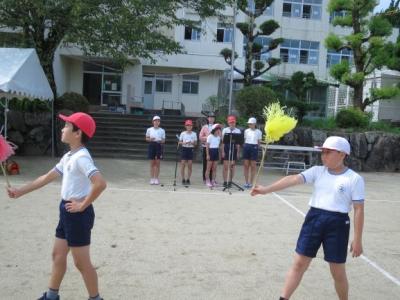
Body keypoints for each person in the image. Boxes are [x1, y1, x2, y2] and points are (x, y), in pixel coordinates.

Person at [7, 112, 107, 300]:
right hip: (67, 211)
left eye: (67, 126)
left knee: (81, 263)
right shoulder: (69, 156)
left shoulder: (81, 158)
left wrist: (83, 205)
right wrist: (20, 191)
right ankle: (51, 296)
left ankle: (96, 298)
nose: (63, 128)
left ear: (78, 133)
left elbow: (100, 183)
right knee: (58, 255)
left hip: (77, 214)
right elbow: (47, 177)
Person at [251, 136, 365, 300]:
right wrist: (266, 190)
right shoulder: (318, 171)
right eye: (322, 152)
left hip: (338, 224)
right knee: (299, 263)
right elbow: (293, 179)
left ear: (342, 154)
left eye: (328, 152)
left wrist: (358, 239)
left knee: (337, 271)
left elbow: (359, 209)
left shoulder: (354, 179)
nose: (323, 155)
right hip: (314, 219)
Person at [222, 115, 241, 188]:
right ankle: (225, 181)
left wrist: (238, 152)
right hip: (226, 147)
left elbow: (238, 144)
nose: (232, 124)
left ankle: (230, 181)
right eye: (230, 122)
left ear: (235, 122)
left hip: (234, 148)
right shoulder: (225, 130)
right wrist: (223, 151)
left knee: (232, 166)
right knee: (225, 166)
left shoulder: (238, 131)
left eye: (233, 122)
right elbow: (223, 142)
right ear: (228, 123)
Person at [243, 117, 262, 189]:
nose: (249, 125)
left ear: (254, 124)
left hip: (254, 147)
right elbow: (245, 140)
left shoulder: (259, 132)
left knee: (253, 166)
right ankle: (246, 182)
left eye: (251, 124)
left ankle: (251, 183)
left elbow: (259, 142)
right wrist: (245, 146)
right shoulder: (246, 131)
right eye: (249, 124)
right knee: (246, 165)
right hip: (247, 146)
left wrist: (257, 148)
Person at [146, 115, 166, 185]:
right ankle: (152, 178)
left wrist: (159, 140)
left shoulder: (162, 130)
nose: (156, 122)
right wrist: (150, 139)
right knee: (152, 163)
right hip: (151, 145)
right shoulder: (149, 129)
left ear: (159, 122)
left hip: (158, 145)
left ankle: (156, 178)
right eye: (155, 121)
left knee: (157, 163)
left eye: (158, 121)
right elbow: (147, 138)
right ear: (153, 122)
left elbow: (163, 141)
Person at [179, 119, 197, 185]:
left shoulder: (194, 134)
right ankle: (183, 178)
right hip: (184, 148)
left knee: (190, 165)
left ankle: (188, 179)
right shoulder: (183, 133)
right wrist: (184, 142)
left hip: (190, 149)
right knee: (183, 164)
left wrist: (192, 143)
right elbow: (179, 142)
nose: (189, 126)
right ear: (185, 126)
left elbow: (195, 143)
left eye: (190, 125)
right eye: (187, 125)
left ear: (192, 126)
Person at [199, 113, 215, 184]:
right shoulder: (204, 127)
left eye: (213, 117)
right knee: (205, 164)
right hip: (206, 147)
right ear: (208, 118)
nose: (211, 119)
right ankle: (205, 179)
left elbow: (219, 137)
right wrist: (208, 138)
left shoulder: (216, 126)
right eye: (210, 117)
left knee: (213, 164)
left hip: (214, 148)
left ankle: (212, 179)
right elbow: (200, 137)